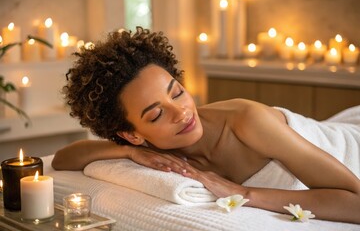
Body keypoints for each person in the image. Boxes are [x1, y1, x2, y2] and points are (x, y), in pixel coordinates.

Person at [52, 27, 360, 224]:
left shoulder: (248, 121)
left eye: (178, 92)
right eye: (156, 114)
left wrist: (244, 193)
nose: (182, 113)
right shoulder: (146, 146)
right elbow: (65, 158)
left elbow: (355, 203)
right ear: (131, 134)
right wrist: (129, 154)